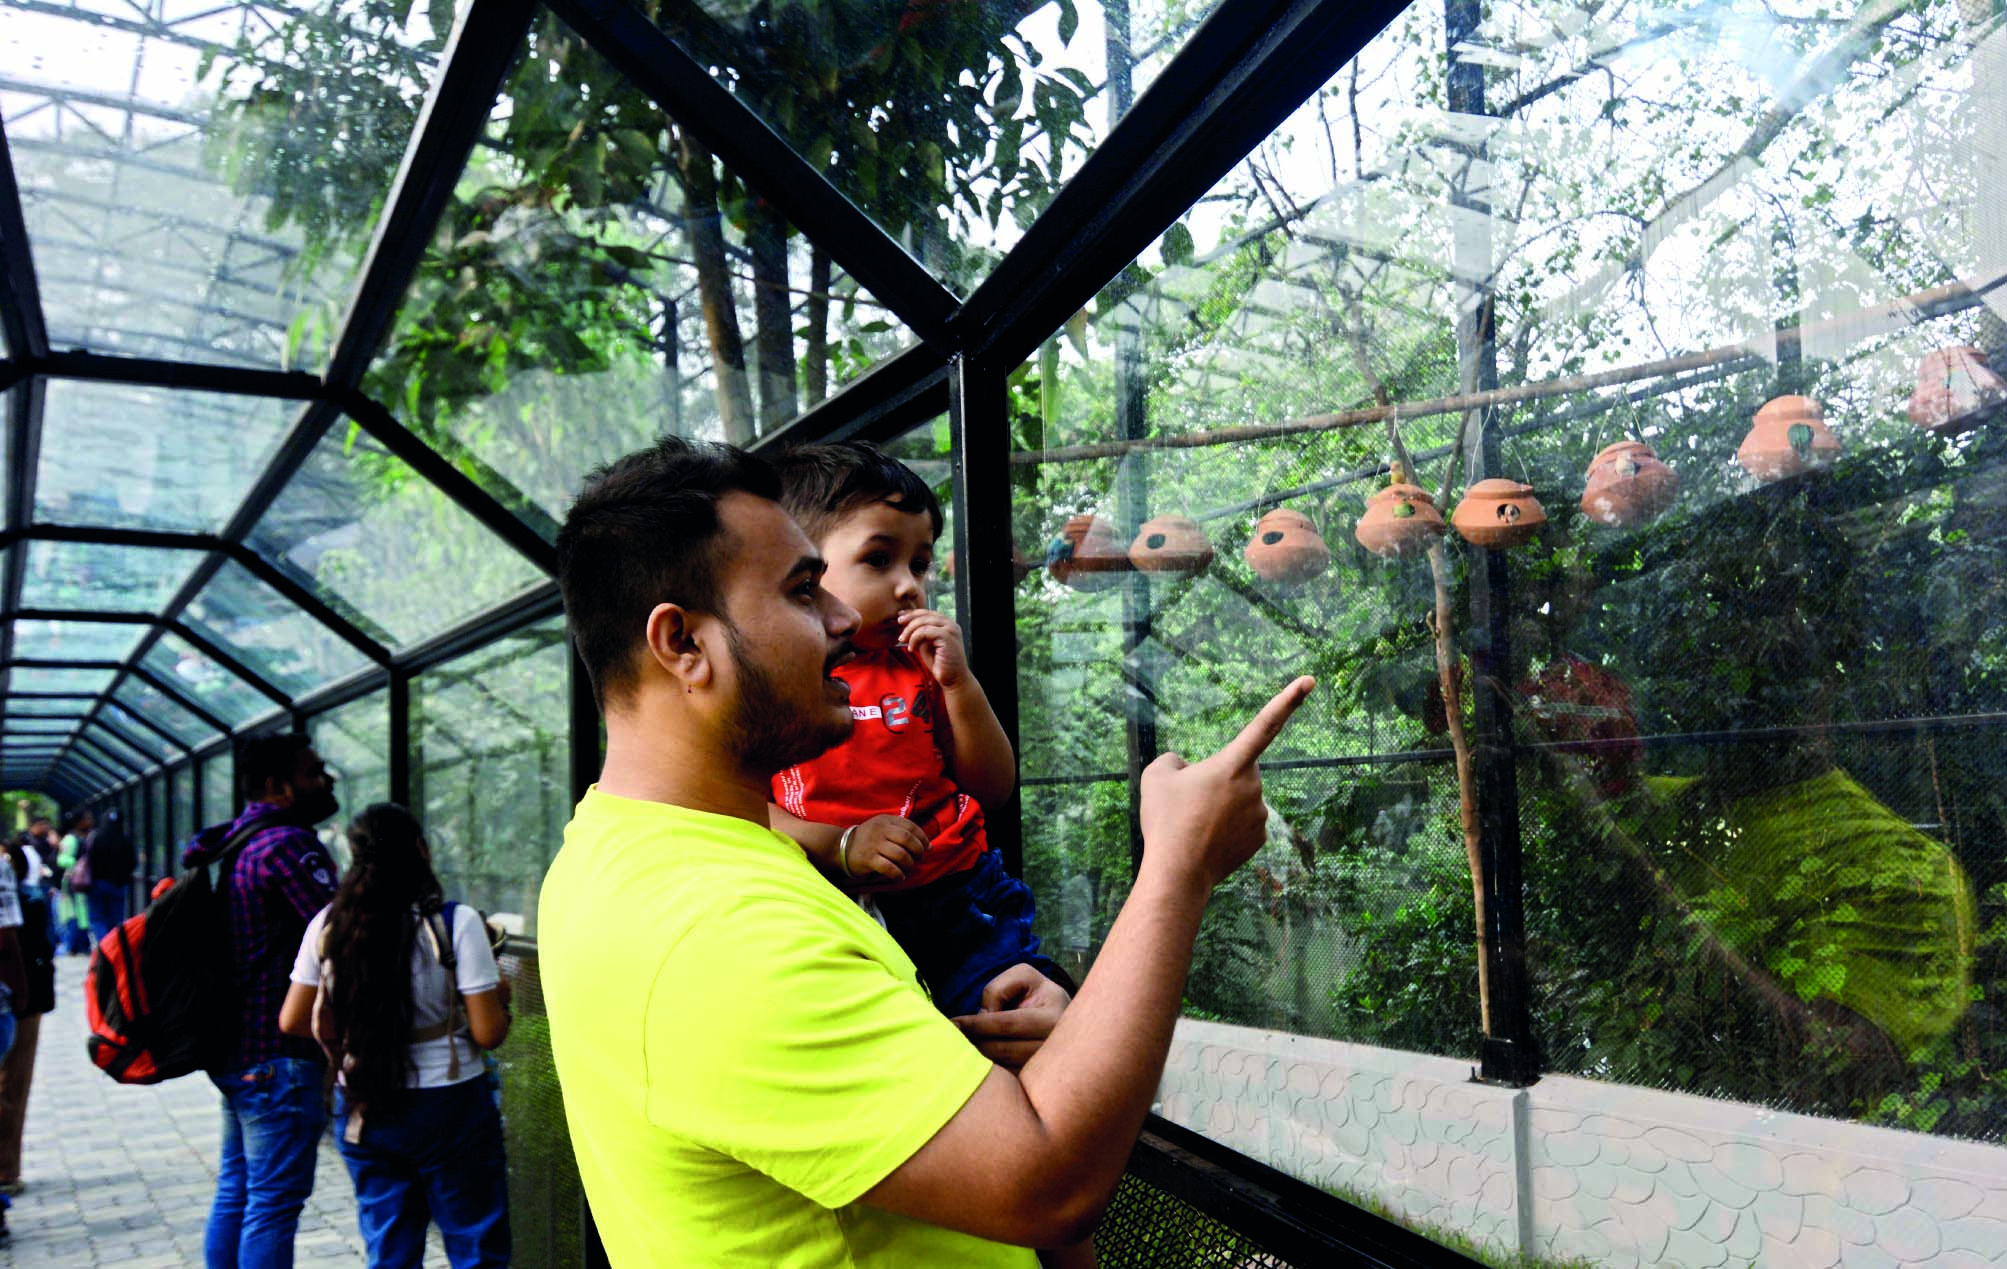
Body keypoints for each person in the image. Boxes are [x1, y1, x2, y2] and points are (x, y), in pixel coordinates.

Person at [539, 436, 1311, 1265]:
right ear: (682, 644)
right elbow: (1047, 1180)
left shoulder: (615, 853)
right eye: (804, 591)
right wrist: (1178, 865)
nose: (841, 616)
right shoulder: (718, 930)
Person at [765, 442, 1062, 1015]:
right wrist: (842, 844)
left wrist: (959, 686)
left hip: (960, 895)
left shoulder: (920, 667)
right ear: (801, 568)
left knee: (1009, 1023)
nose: (910, 586)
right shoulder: (781, 679)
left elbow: (993, 787)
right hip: (838, 902)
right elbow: (751, 807)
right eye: (879, 559)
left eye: (920, 565)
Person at [278, 803, 511, 1269]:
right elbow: (488, 1033)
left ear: (354, 855)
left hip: (365, 1100)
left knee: (390, 1247)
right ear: (421, 850)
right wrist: (499, 998)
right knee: (475, 1243)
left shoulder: (329, 925)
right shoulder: (455, 922)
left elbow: (291, 1020)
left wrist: (362, 1030)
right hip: (451, 1104)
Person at [184, 734, 341, 1269]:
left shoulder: (235, 842)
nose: (326, 781)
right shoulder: (288, 847)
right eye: (315, 772)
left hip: (238, 1052)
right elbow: (344, 936)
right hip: (279, 1058)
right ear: (279, 787)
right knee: (272, 1204)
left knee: (240, 1191)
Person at [0, 835, 54, 1196]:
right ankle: (6, 1170)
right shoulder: (11, 879)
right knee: (12, 1084)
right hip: (13, 1001)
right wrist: (21, 992)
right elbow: (7, 941)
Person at [83, 809, 135, 945]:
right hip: (118, 884)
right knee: (116, 918)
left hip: (97, 884)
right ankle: (114, 946)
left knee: (98, 918)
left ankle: (103, 946)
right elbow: (132, 862)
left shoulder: (96, 837)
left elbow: (88, 859)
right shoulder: (124, 839)